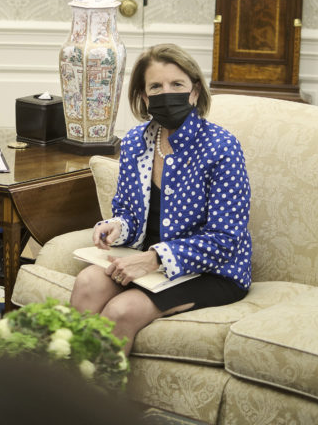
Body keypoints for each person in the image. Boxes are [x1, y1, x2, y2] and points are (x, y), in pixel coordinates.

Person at [70, 43, 251, 355]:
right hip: (143, 262)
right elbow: (128, 212)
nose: (167, 93)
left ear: (194, 92)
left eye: (177, 85)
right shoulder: (134, 143)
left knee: (121, 311)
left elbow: (225, 239)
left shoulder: (222, 147)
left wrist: (153, 259)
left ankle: (95, 402)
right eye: (156, 86)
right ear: (144, 96)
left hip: (212, 270)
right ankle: (63, 390)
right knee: (87, 283)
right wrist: (116, 227)